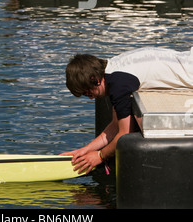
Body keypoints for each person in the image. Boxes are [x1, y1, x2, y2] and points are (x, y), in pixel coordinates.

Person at [60, 47, 193, 174]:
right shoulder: (112, 69)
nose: (90, 98)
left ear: (94, 79)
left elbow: (124, 133)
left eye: (88, 92)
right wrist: (85, 150)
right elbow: (114, 126)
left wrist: (100, 156)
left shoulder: (119, 85)